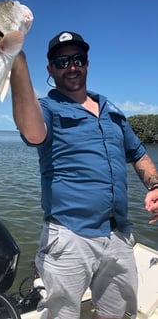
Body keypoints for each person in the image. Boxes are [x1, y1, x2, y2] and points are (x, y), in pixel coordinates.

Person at [10, 31, 158, 319]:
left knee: (114, 313)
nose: (72, 67)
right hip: (69, 235)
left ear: (87, 63)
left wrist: (155, 184)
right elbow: (33, 132)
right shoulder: (47, 108)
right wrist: (18, 67)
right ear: (50, 69)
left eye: (77, 59)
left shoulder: (110, 110)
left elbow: (137, 153)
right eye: (62, 62)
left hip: (119, 234)